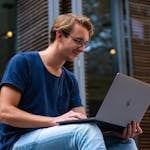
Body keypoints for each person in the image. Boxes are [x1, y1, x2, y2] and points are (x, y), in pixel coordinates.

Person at [0, 13, 143, 150]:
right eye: (78, 41)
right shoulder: (23, 62)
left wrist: (114, 133)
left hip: (54, 139)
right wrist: (53, 121)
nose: (82, 49)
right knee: (86, 131)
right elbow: (4, 112)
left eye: (85, 44)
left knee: (124, 143)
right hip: (17, 141)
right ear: (59, 35)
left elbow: (82, 123)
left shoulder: (70, 79)